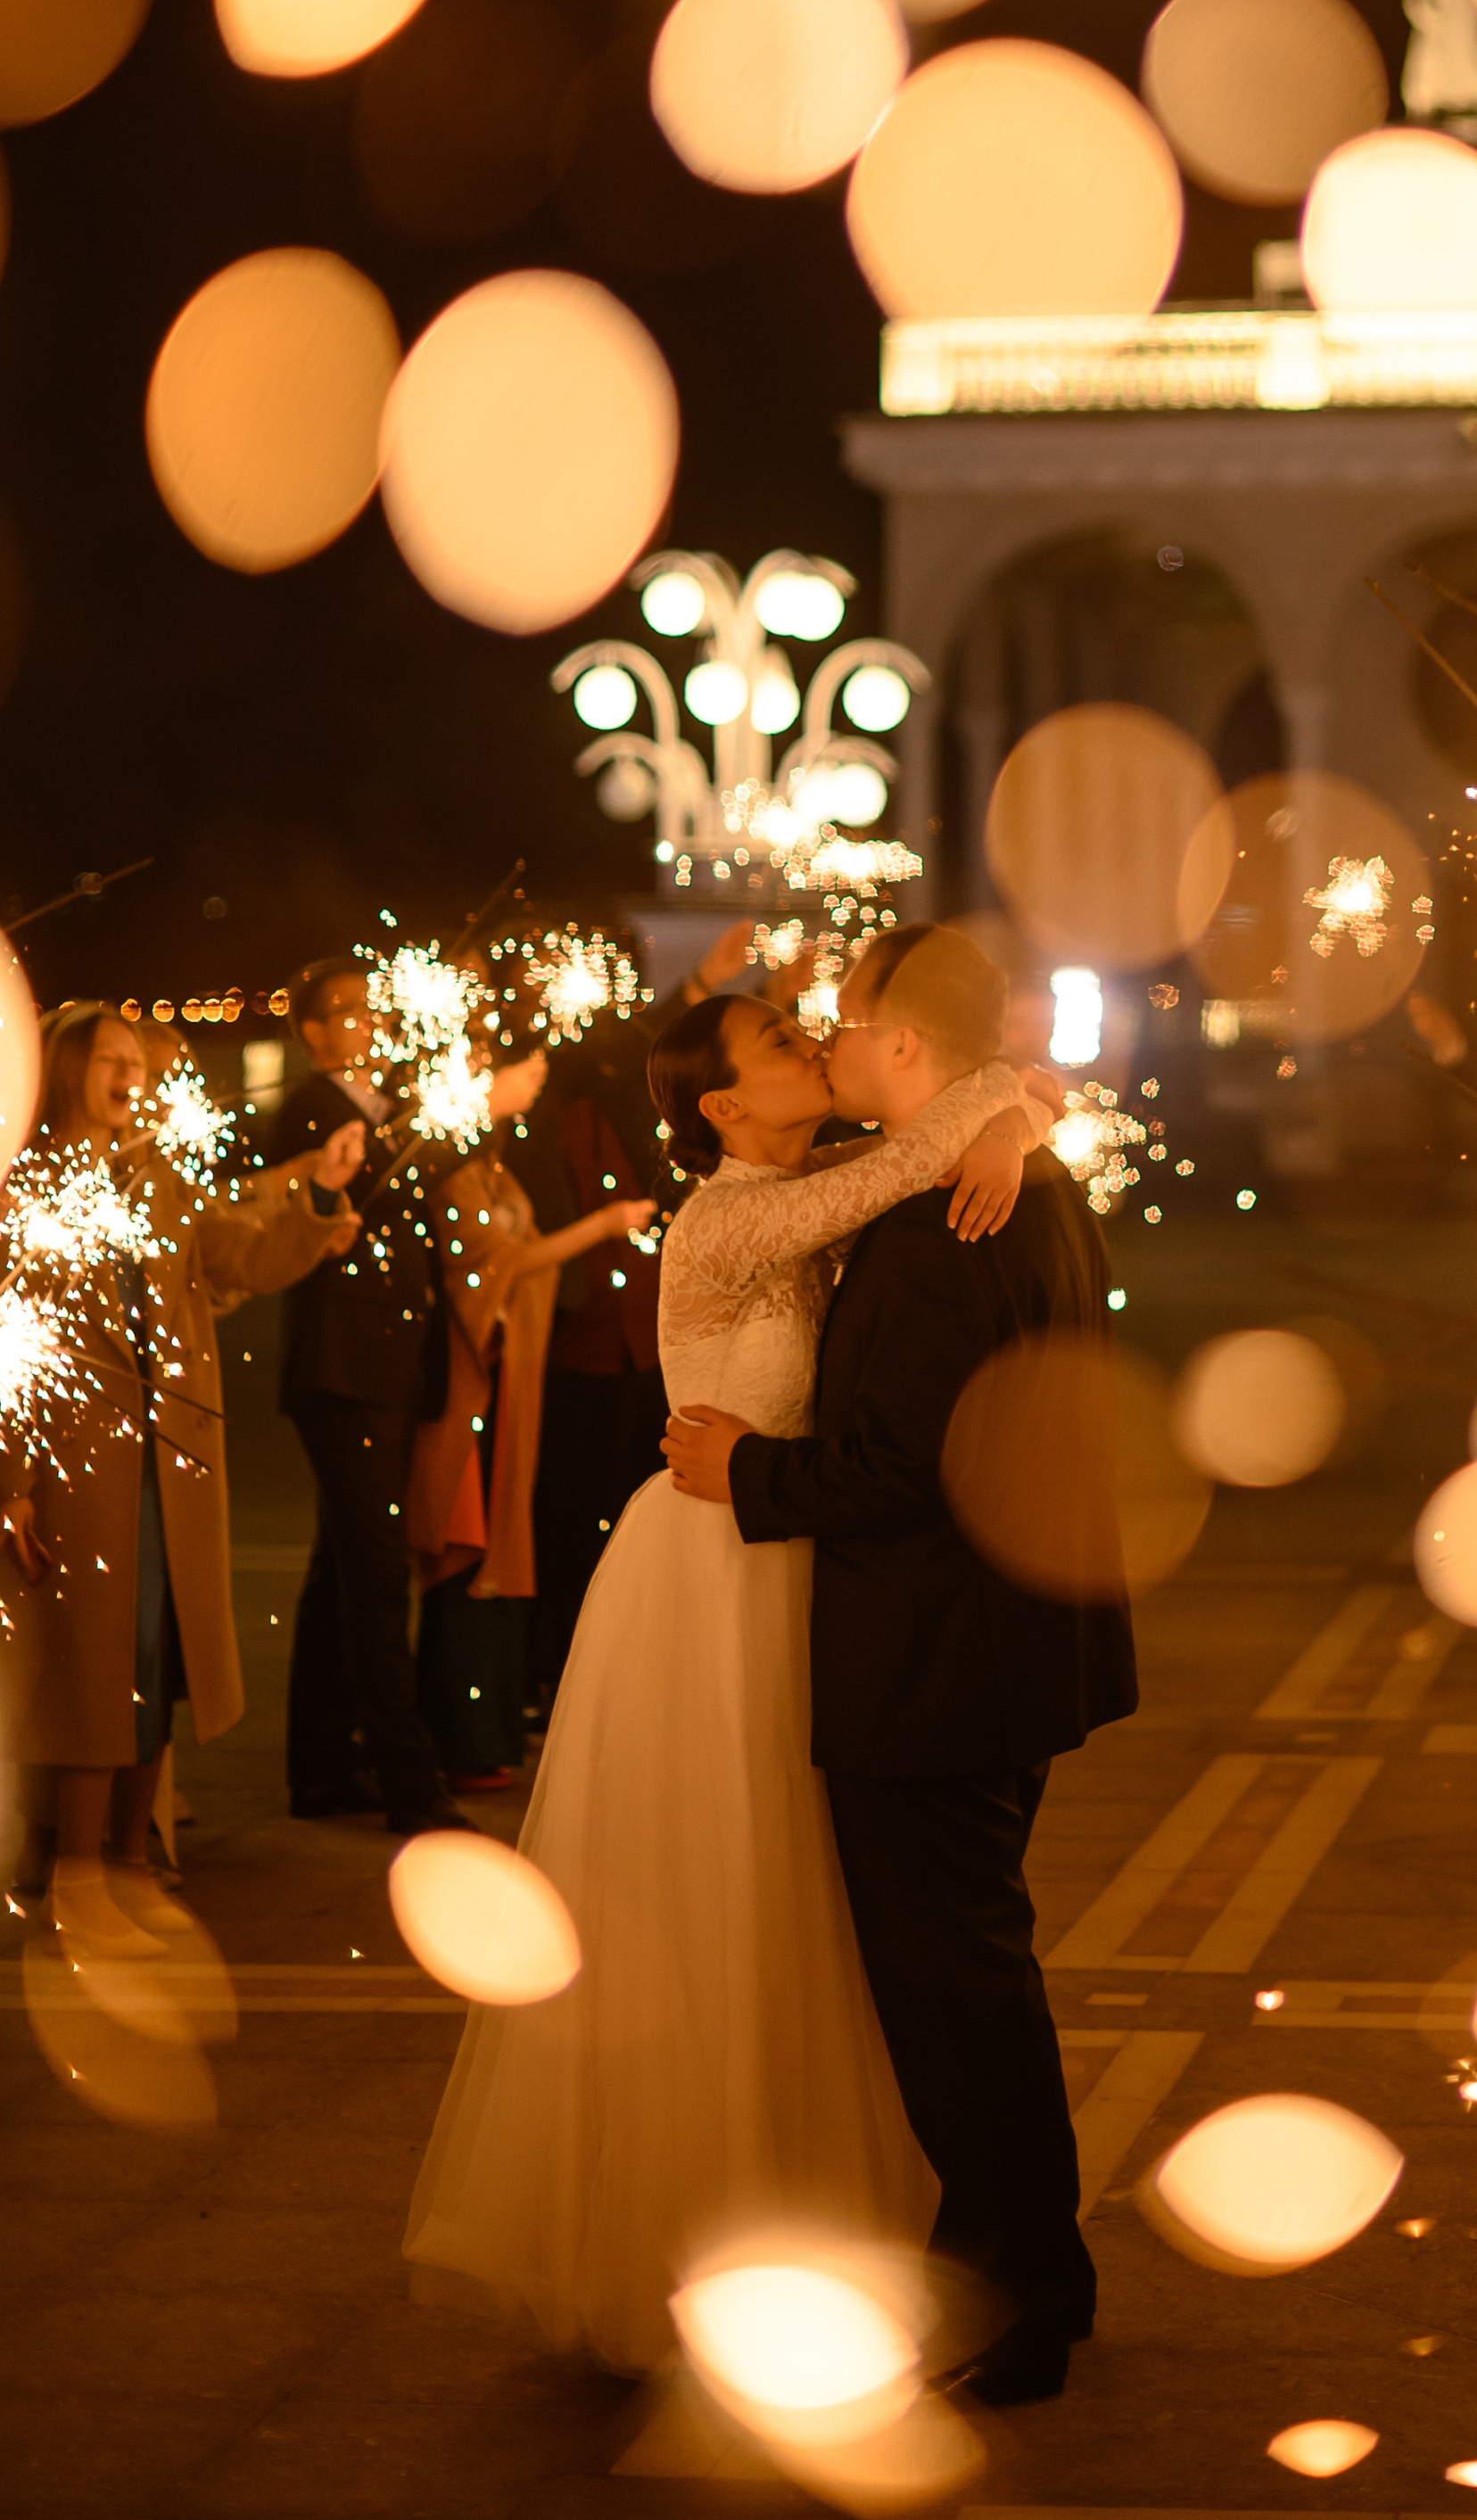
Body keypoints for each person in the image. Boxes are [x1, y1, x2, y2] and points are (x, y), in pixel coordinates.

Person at [403, 989, 1057, 2370]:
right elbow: (904, 1157)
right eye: (780, 1046)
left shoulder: (808, 1177)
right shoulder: (727, 1215)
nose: (813, 1049)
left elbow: (953, 1118)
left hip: (801, 1549)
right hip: (715, 1565)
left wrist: (1006, 1118)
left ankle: (847, 2219)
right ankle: (693, 2232)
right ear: (719, 1106)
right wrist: (989, 1109)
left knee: (817, 1899)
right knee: (716, 1893)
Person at [666, 925, 1138, 2409]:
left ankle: (1018, 2290)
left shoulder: (949, 1227)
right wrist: (1003, 1101)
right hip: (1001, 1642)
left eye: (851, 1020)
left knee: (956, 1989)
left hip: (940, 1656)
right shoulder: (1000, 1174)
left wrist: (745, 1466)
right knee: (972, 1971)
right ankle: (1015, 2262)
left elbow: (894, 1470)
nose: (832, 1037)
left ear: (908, 1049)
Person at [0, 1004, 360, 1956]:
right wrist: (14, 1477)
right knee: (90, 1670)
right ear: (68, 1067)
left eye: (135, 1060)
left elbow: (240, 1252)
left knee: (153, 1662)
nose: (129, 1074)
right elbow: (15, 1340)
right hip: (78, 1459)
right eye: (109, 1059)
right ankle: (75, 1876)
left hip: (171, 1456)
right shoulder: (28, 1183)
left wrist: (318, 1200)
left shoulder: (157, 1176)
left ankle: (129, 1857)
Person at [521, 920, 765, 1710]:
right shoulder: (546, 1079)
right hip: (576, 1336)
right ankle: (556, 1668)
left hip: (640, 1336)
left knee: (632, 1506)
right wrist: (698, 986)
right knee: (565, 1514)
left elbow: (642, 1054)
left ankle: (618, 1665)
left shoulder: (622, 1081)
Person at [408, 1052, 656, 1790]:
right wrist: (603, 1224)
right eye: (519, 1066)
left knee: (500, 1549)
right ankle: (461, 1732)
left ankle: (481, 1727)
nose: (537, 1074)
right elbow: (497, 1267)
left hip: (507, 1381)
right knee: (471, 1551)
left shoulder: (488, 1164)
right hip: (474, 1383)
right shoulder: (454, 1173)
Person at [262, 954, 465, 1836]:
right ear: (310, 1032)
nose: (365, 1021)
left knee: (339, 1569)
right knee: (377, 1577)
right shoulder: (314, 1109)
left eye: (368, 1006)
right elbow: (366, 1189)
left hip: (379, 1364)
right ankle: (410, 1783)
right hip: (343, 1365)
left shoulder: (386, 1107)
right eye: (342, 1012)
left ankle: (321, 1765)